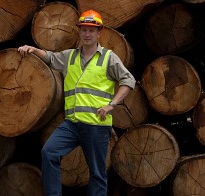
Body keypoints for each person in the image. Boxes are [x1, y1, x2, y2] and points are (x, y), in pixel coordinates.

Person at [18, 9, 136, 196]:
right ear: (79, 32)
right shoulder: (69, 56)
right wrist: (32, 49)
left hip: (96, 125)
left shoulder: (108, 57)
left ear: (99, 33)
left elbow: (128, 81)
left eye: (92, 30)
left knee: (97, 174)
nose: (87, 34)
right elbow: (50, 57)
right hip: (71, 124)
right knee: (49, 152)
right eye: (84, 30)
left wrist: (111, 104)